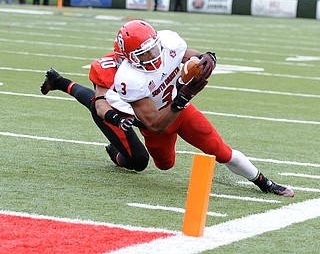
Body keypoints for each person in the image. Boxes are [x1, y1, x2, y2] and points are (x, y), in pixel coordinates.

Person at [110, 20, 294, 197]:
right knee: (165, 164)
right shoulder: (129, 78)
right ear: (130, 58)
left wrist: (205, 58)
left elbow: (189, 56)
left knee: (221, 150)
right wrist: (182, 98)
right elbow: (156, 125)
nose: (152, 56)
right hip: (160, 123)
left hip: (183, 111)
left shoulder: (169, 43)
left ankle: (265, 183)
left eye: (153, 49)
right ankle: (119, 155)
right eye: (143, 54)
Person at [40, 41, 149, 172]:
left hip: (127, 106)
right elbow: (101, 106)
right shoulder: (109, 68)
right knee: (139, 161)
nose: (148, 56)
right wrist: (117, 119)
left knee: (92, 100)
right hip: (113, 112)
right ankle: (115, 151)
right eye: (141, 53)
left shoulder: (152, 59)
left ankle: (59, 82)